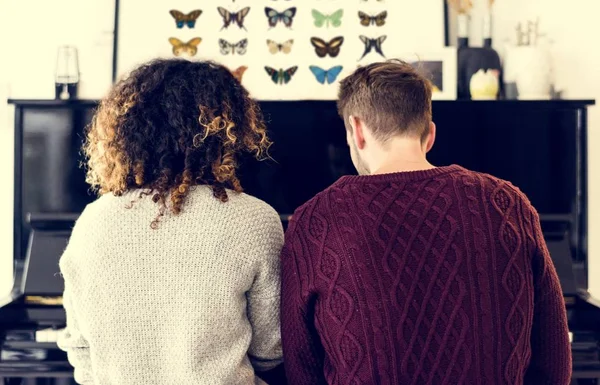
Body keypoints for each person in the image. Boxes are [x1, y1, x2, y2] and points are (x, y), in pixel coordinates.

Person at [280, 60, 571, 385]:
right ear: (429, 134)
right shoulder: (508, 204)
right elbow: (553, 363)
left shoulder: (315, 221)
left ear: (357, 130)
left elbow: (301, 370)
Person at [57, 59, 284, 385]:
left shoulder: (93, 219)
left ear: (125, 132)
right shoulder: (254, 219)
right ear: (226, 131)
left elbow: (80, 349)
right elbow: (270, 350)